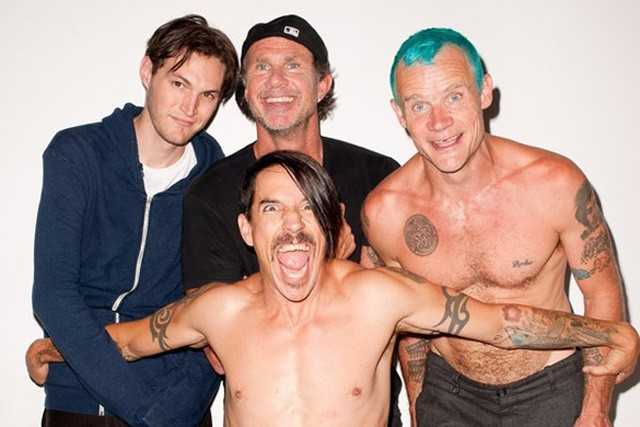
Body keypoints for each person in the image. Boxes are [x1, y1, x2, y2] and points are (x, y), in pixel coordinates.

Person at [106, 151, 638, 426]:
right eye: (272, 209)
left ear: (332, 226)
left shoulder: (378, 296)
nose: (292, 227)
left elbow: (501, 324)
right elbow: (125, 341)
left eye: (308, 210)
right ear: (247, 229)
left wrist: (607, 333)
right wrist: (59, 344)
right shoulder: (218, 310)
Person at [361, 28, 625, 426]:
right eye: (419, 105)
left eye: (454, 96)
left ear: (484, 91)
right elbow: (409, 327)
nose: (439, 122)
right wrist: (418, 406)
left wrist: (596, 408)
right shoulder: (386, 213)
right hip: (450, 396)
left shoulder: (555, 184)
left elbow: (601, 294)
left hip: (551, 388)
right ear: (400, 114)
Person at [180, 14, 403, 425]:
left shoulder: (380, 179)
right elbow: (219, 352)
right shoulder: (210, 194)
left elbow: (407, 318)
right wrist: (332, 265)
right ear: (246, 89)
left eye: (293, 65)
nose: (276, 81)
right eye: (261, 67)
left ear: (323, 84)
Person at [28, 15, 239, 427]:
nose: (190, 108)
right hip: (81, 402)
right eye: (179, 84)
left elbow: (218, 305)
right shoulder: (78, 154)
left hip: (178, 405)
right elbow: (53, 296)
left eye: (208, 95)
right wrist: (147, 412)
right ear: (147, 71)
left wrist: (178, 410)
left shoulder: (218, 176)